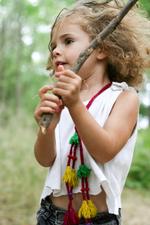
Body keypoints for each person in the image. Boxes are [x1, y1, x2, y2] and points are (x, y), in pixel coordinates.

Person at [34, 0, 150, 224]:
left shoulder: (124, 98)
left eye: (67, 41)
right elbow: (44, 159)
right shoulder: (59, 99)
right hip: (51, 215)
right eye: (53, 46)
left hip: (99, 219)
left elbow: (104, 151)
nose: (56, 50)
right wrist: (47, 127)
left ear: (102, 49)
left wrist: (75, 105)